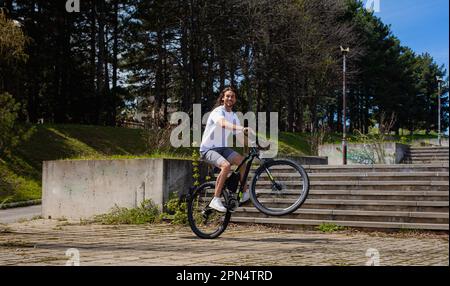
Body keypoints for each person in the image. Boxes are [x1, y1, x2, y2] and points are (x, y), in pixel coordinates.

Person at [199, 87, 251, 212]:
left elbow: (239, 136)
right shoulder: (218, 111)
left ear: (235, 99)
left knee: (243, 162)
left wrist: (253, 145)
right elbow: (222, 124)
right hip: (208, 149)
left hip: (222, 148)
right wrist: (241, 128)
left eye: (232, 96)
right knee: (226, 166)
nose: (230, 98)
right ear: (222, 98)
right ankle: (215, 199)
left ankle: (245, 193)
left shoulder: (233, 115)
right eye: (227, 96)